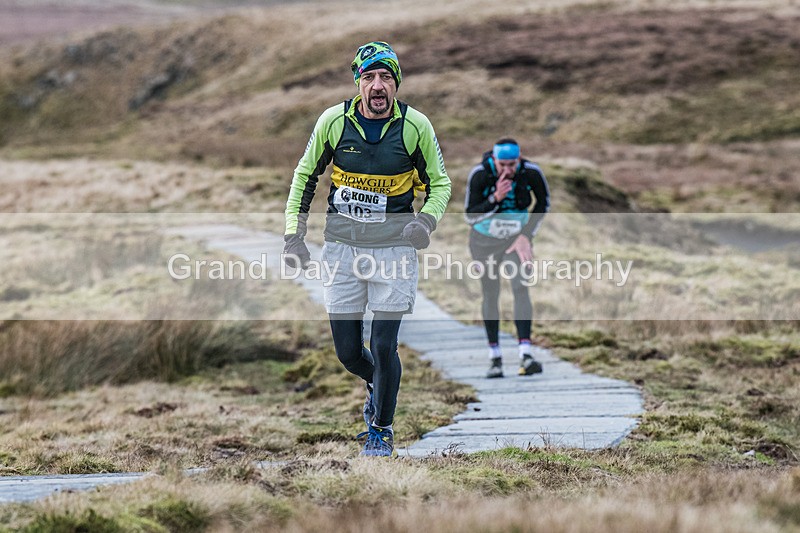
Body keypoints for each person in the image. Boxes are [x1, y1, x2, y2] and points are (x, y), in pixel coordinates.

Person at [283, 41, 451, 456]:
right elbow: (305, 176)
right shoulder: (333, 122)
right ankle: (382, 383)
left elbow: (440, 185)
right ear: (358, 82)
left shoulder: (415, 126)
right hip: (341, 249)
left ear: (396, 83)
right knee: (347, 352)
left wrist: (424, 222)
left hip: (394, 250)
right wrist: (294, 236)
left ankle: (381, 429)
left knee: (382, 344)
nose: (378, 86)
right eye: (370, 77)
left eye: (387, 77)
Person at [464, 138, 550, 379]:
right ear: (494, 160)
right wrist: (495, 199)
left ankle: (526, 354)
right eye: (503, 165)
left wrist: (526, 235)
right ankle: (495, 358)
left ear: (519, 159)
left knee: (520, 286)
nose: (508, 170)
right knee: (491, 293)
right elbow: (470, 216)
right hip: (484, 242)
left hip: (515, 240)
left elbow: (543, 204)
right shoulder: (479, 174)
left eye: (512, 164)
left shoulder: (531, 173)